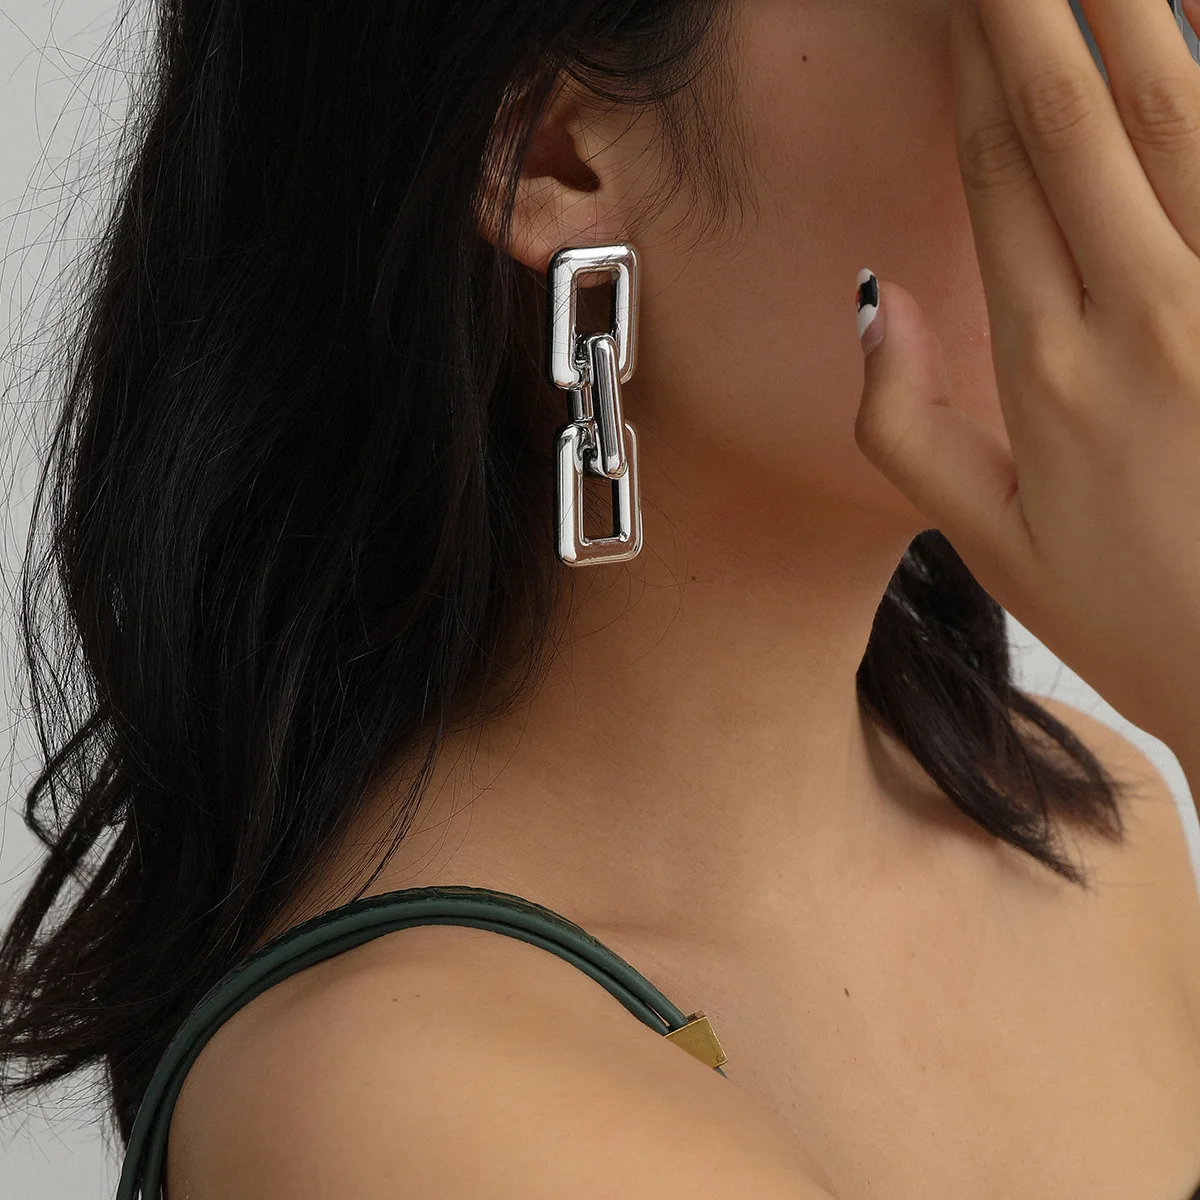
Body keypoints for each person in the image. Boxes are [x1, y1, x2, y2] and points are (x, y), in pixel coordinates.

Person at [4, 0, 1200, 1196]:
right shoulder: (415, 1112)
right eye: (1047, 15)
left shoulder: (1102, 835)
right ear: (556, 157)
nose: (1169, 94)